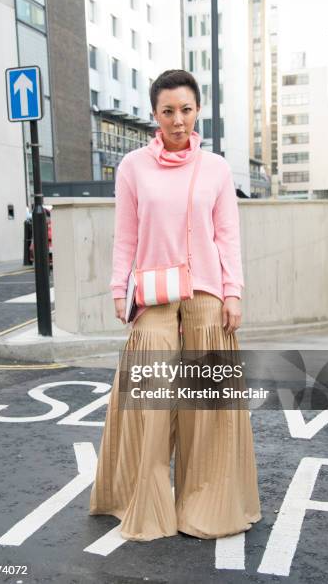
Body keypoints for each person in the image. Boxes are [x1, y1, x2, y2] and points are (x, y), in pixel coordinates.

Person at [89, 69, 261, 541]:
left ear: (198, 110)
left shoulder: (217, 169)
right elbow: (126, 235)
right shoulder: (132, 168)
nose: (178, 120)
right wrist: (119, 293)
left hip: (206, 296)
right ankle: (142, 501)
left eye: (186, 109)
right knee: (149, 406)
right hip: (154, 295)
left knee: (206, 412)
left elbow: (228, 236)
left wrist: (233, 293)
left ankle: (206, 503)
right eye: (168, 111)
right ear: (154, 115)